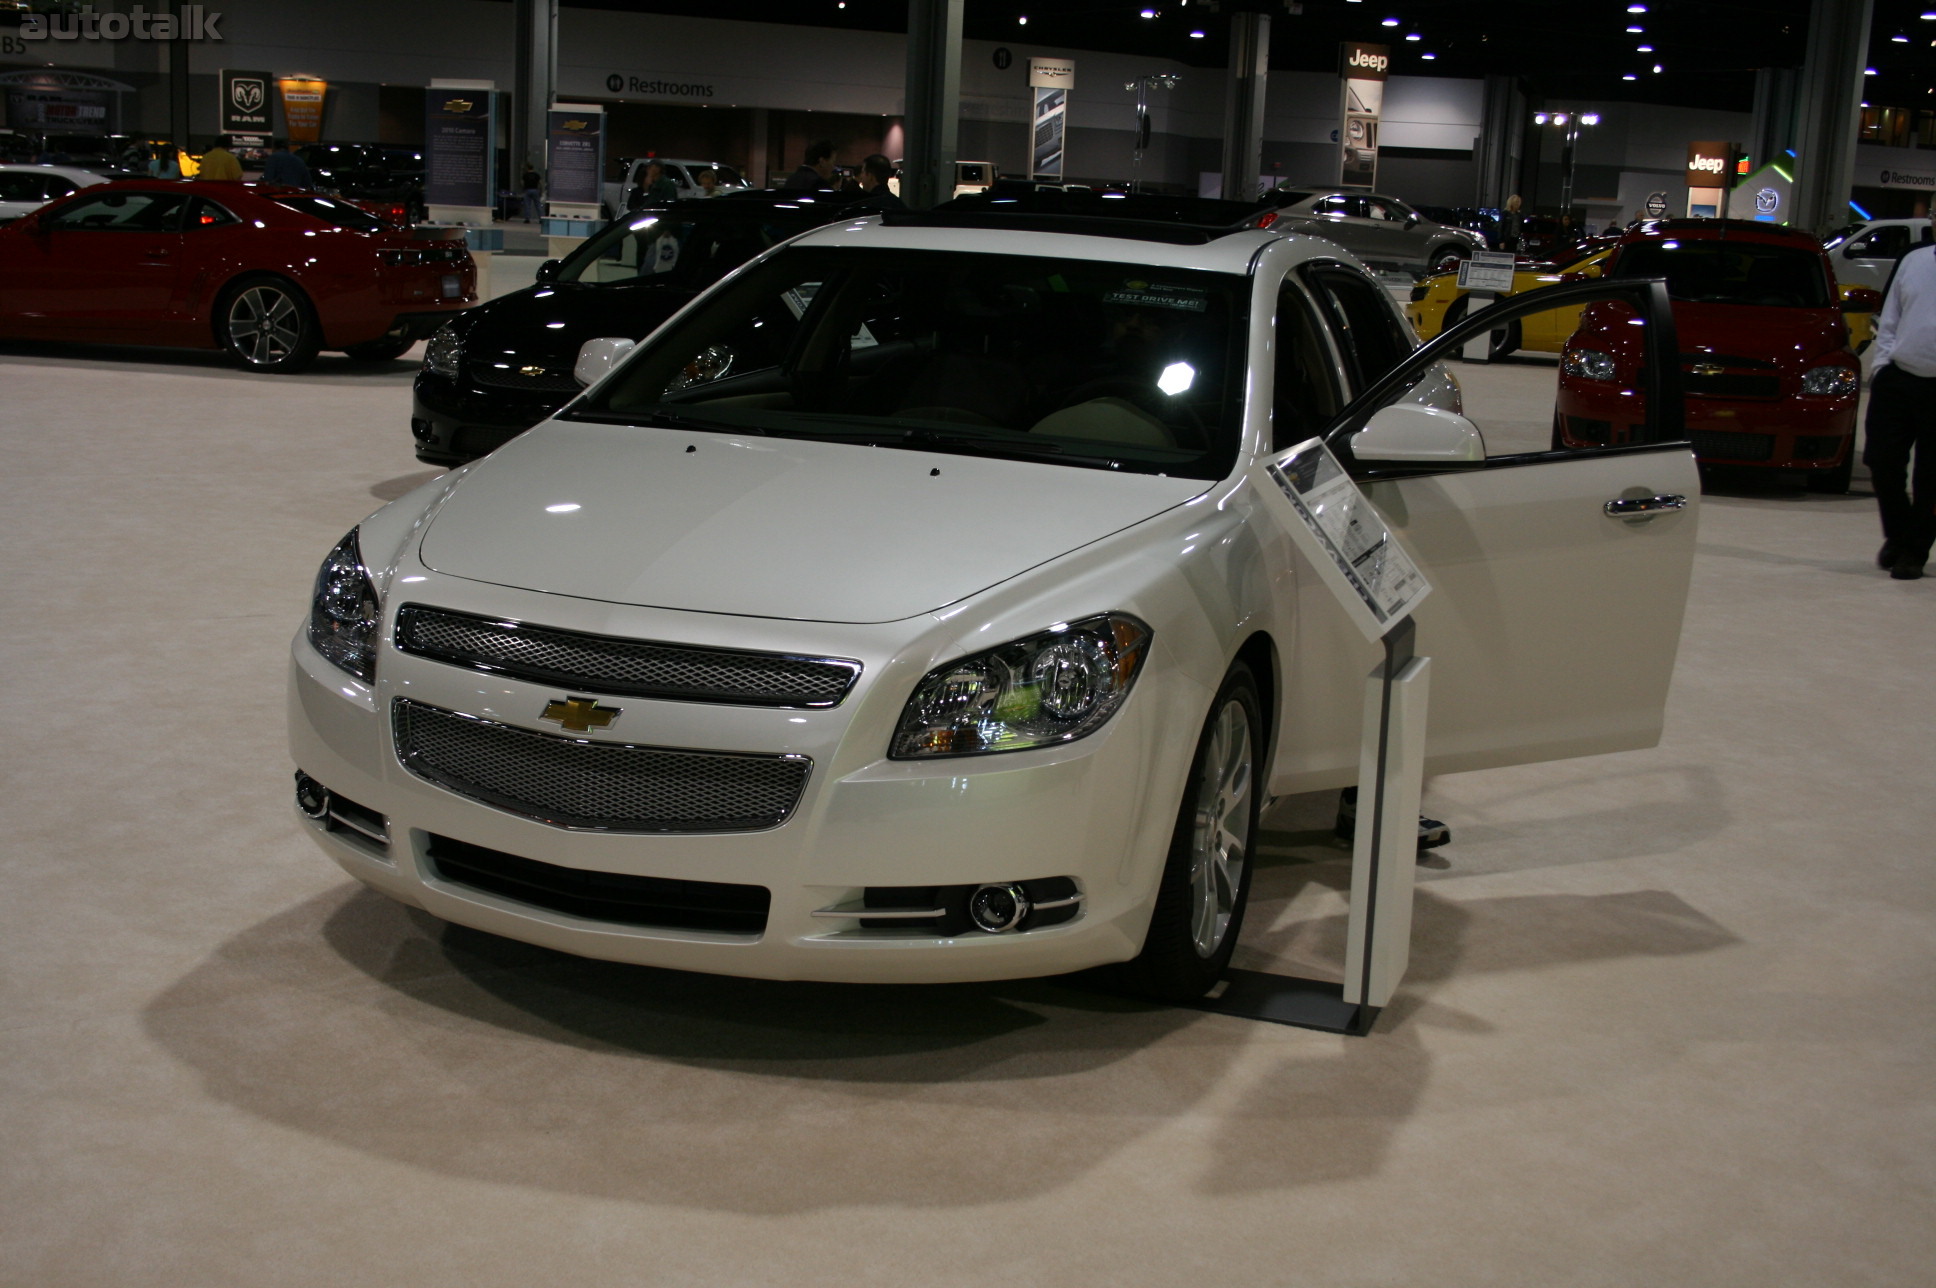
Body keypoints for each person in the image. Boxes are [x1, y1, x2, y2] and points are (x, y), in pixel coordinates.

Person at [1863, 237, 1936, 581]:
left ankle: (1914, 551)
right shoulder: (1914, 260)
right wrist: (1881, 367)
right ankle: (1899, 533)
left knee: (1930, 479)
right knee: (1882, 461)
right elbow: (1890, 317)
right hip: (1899, 377)